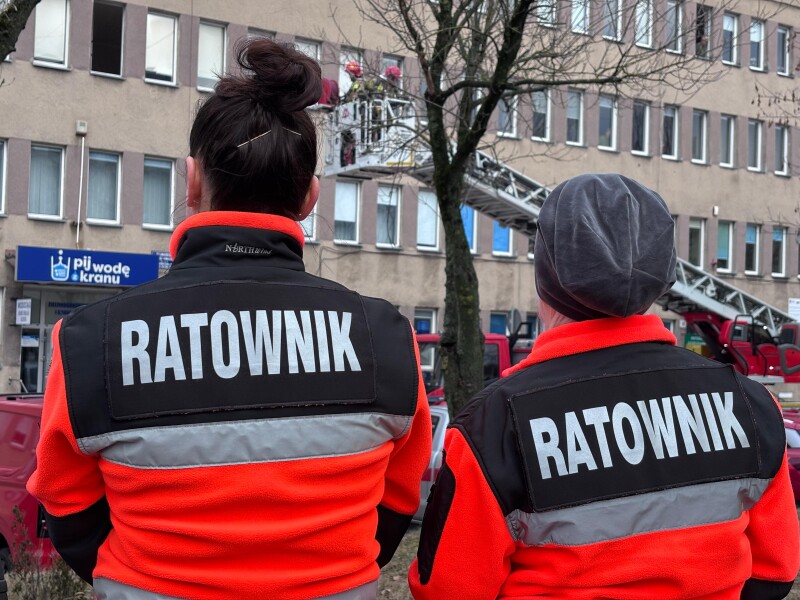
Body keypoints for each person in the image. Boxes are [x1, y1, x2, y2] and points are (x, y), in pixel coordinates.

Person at [27, 38, 431, 600]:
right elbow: (397, 505)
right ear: (311, 197)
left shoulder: (88, 341)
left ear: (192, 182)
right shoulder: (386, 338)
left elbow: (67, 510)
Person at [409, 173, 800, 599]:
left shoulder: (493, 426)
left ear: (545, 276)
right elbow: (775, 572)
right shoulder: (750, 404)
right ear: (661, 276)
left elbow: (448, 589)